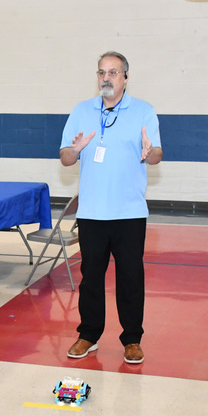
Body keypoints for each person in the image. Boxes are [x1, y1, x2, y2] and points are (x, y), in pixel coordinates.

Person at [59, 51, 163, 365]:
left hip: (129, 213)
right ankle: (88, 335)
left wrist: (150, 151)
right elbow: (65, 157)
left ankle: (132, 339)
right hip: (92, 212)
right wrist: (74, 150)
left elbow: (156, 155)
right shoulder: (81, 111)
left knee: (130, 278)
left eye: (113, 72)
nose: (106, 78)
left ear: (125, 78)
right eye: (102, 72)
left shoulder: (144, 111)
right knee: (90, 278)